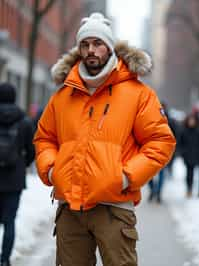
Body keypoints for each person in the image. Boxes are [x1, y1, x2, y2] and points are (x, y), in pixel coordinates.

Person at [33, 12, 176, 266]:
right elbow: (44, 138)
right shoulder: (63, 96)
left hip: (114, 210)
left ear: (110, 48)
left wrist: (125, 176)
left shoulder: (138, 94)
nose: (91, 50)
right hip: (70, 212)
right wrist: (53, 171)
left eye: (98, 44)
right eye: (85, 44)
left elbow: (160, 142)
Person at [0, 83, 35, 266]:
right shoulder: (24, 121)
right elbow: (31, 150)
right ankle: (4, 259)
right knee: (9, 221)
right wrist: (23, 165)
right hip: (14, 179)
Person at [179, 113, 199, 197]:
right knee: (189, 175)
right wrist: (183, 153)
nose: (191, 122)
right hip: (188, 156)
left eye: (193, 120)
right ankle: (189, 189)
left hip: (198, 155)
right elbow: (180, 143)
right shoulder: (184, 131)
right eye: (190, 120)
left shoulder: (198, 131)